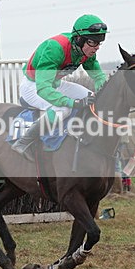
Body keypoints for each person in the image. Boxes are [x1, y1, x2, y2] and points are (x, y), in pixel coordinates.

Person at [11, 13, 108, 161]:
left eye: (99, 43)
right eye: (93, 42)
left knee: (91, 98)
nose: (97, 48)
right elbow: (43, 88)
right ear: (78, 39)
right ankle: (23, 142)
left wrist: (103, 93)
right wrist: (72, 102)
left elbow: (99, 76)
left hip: (55, 84)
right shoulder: (55, 48)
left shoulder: (86, 51)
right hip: (33, 86)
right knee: (63, 108)